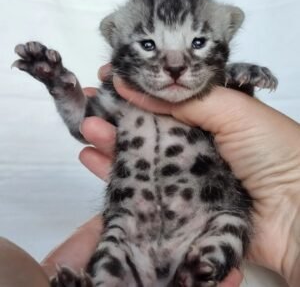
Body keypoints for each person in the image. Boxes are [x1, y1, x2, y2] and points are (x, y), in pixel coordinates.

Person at [1, 65, 299, 287]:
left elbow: (222, 113)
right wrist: (60, 83)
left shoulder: (197, 86)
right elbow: (85, 121)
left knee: (231, 224)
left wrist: (237, 89)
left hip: (208, 210)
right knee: (117, 236)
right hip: (138, 217)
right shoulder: (120, 89)